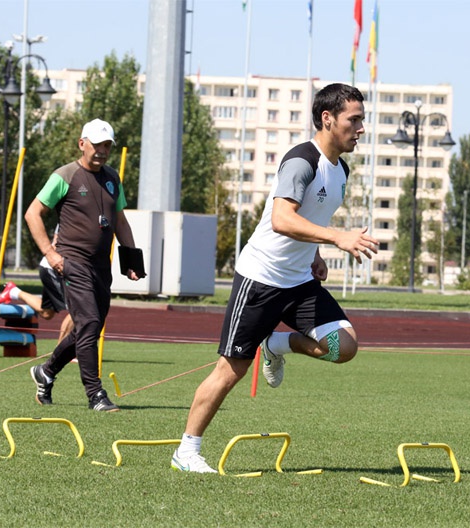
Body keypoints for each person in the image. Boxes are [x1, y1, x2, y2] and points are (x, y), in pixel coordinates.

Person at [171, 83, 379, 473]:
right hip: (261, 279)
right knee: (231, 369)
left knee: (344, 346)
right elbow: (283, 219)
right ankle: (186, 451)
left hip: (299, 280)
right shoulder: (302, 160)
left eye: (362, 120)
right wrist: (337, 238)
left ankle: (277, 345)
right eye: (355, 120)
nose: (361, 128)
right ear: (327, 119)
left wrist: (315, 254)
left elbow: (310, 218)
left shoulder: (341, 170)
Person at [24, 118, 142, 412]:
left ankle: (46, 371)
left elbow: (120, 221)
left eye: (107, 145)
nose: (102, 151)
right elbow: (32, 214)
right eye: (97, 144)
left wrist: (131, 259)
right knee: (88, 323)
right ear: (82, 143)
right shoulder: (65, 175)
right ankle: (96, 395)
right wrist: (51, 254)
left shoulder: (112, 177)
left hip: (101, 265)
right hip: (71, 262)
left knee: (88, 328)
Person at [0, 229, 74, 346]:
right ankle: (61, 353)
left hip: (62, 268)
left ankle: (13, 291)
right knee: (78, 309)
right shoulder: (71, 214)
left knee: (47, 313)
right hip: (56, 266)